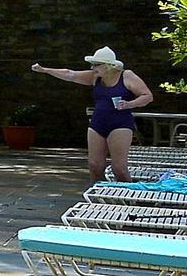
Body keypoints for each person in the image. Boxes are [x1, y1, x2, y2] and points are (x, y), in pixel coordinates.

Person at [31, 47, 155, 181]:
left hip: (120, 124)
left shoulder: (126, 76)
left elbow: (147, 96)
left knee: (119, 168)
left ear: (108, 65)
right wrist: (45, 70)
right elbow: (70, 74)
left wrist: (130, 104)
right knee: (94, 165)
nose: (92, 67)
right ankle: (98, 194)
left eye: (96, 64)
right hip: (97, 123)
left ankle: (128, 197)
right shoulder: (95, 77)